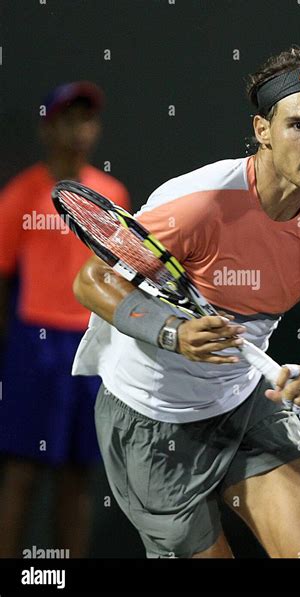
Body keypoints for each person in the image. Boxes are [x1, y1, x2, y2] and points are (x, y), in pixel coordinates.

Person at [73, 45, 300, 559]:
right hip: (151, 421)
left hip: (246, 404)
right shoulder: (198, 204)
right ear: (262, 130)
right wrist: (171, 330)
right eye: (298, 125)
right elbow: (92, 281)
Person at [0, 81, 130, 557]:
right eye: (68, 119)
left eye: (87, 119)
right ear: (47, 128)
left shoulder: (112, 194)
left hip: (92, 349)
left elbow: (122, 278)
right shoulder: (20, 196)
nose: (79, 130)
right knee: (22, 471)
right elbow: (1, 277)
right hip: (34, 347)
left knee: (79, 476)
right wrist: (14, 348)